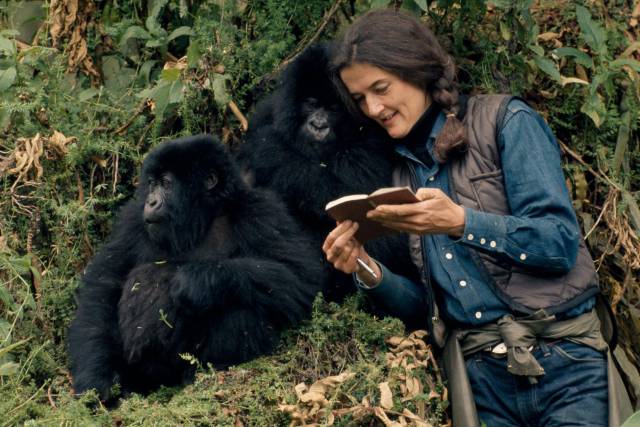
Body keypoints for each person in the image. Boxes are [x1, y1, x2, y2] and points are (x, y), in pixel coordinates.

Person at [322, 8, 631, 427]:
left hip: (566, 367)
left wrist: (461, 223)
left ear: (416, 70)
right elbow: (431, 310)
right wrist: (368, 269)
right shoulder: (400, 174)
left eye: (381, 88)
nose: (374, 108)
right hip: (481, 385)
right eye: (360, 99)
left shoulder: (505, 121)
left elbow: (558, 243)